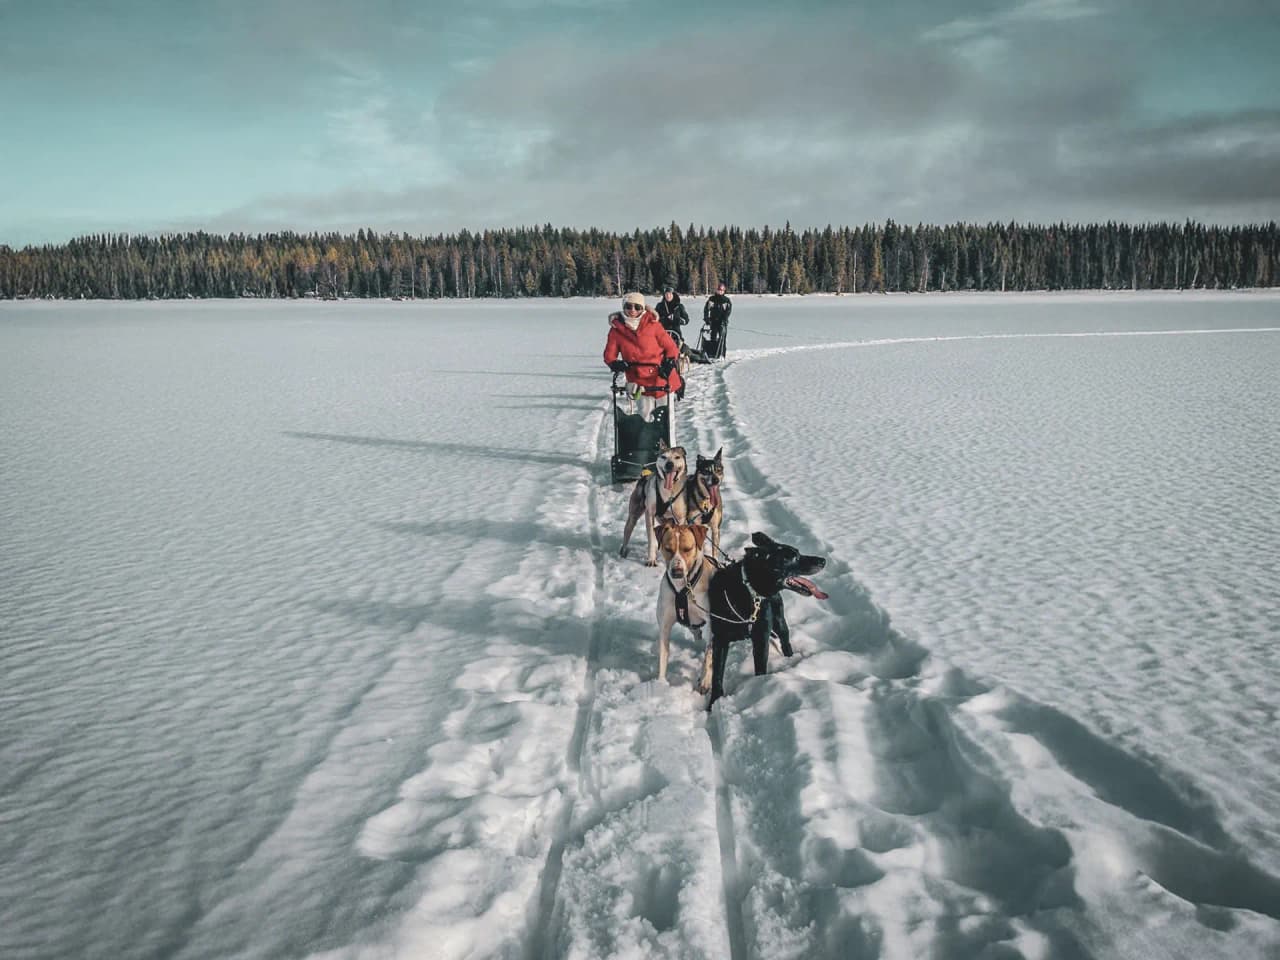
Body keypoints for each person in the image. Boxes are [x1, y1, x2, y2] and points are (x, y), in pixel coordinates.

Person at [603, 291, 684, 419]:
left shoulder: (653, 324)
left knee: (665, 416)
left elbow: (671, 348)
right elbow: (609, 355)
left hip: (661, 374)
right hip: (638, 378)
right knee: (644, 414)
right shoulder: (616, 330)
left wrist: (669, 362)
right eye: (628, 306)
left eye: (637, 307)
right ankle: (645, 438)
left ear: (643, 308)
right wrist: (615, 364)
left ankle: (666, 439)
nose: (632, 310)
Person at [702, 281, 732, 359]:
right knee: (713, 337)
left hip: (722, 322)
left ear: (724, 291)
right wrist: (706, 318)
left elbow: (728, 312)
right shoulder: (712, 299)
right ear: (716, 290)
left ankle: (722, 354)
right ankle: (712, 353)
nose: (720, 291)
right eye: (719, 290)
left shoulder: (726, 300)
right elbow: (706, 309)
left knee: (723, 338)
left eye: (722, 290)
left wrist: (724, 320)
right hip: (713, 321)